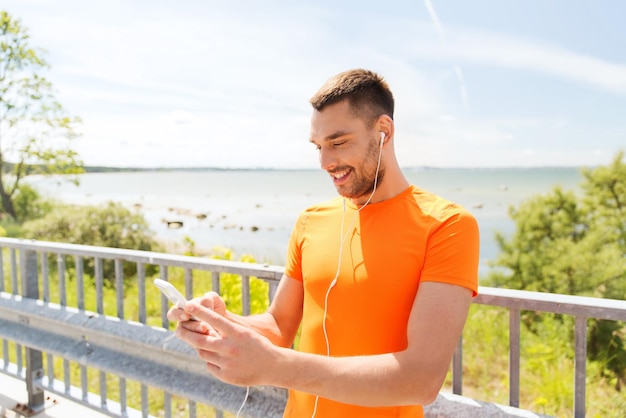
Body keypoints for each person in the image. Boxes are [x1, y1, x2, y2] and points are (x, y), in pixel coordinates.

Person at [168, 68, 480, 417]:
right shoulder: (311, 221)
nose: (325, 162)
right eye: (318, 146)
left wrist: (275, 367)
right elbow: (278, 328)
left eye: (338, 142)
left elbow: (419, 380)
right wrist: (224, 321)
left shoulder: (447, 225)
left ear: (383, 131)